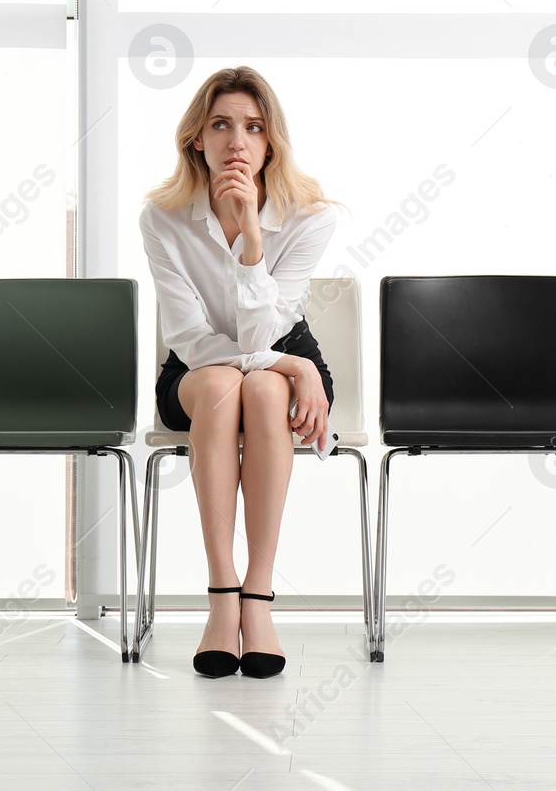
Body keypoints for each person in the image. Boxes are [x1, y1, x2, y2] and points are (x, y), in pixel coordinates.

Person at [138, 65, 343, 678]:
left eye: (253, 127)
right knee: (230, 383)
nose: (237, 141)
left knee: (254, 383)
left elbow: (260, 331)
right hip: (199, 369)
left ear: (270, 141)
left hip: (279, 350)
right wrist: (292, 366)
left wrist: (252, 232)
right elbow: (193, 340)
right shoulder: (162, 217)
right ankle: (221, 592)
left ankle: (257, 596)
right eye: (221, 124)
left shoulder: (310, 217)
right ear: (196, 138)